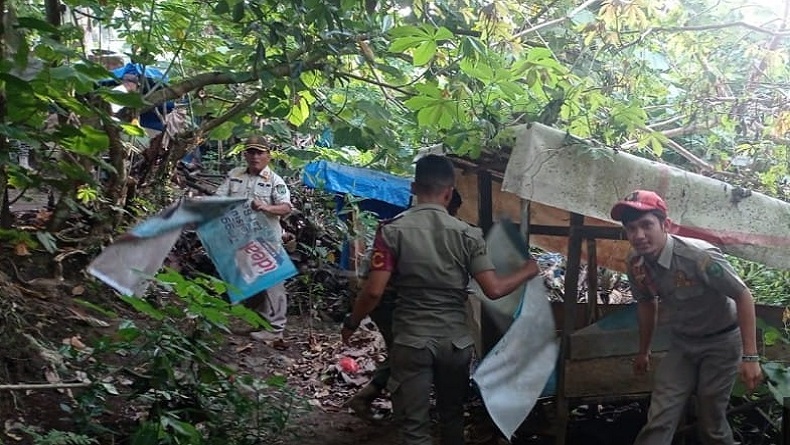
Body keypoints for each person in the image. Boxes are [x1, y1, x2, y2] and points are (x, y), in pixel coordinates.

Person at [341, 155, 539, 445]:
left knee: (414, 425)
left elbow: (373, 291)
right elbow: (494, 289)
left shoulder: (391, 231)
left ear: (413, 188)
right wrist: (528, 270)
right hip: (455, 343)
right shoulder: (469, 234)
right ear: (449, 192)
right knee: (452, 415)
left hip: (412, 340)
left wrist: (352, 322)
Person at [609, 190, 763, 445]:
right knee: (660, 414)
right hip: (683, 343)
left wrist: (750, 356)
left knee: (711, 421)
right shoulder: (635, 262)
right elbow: (646, 302)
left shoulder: (698, 257)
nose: (639, 235)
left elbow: (742, 294)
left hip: (722, 342)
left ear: (665, 225)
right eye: (631, 228)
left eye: (646, 225)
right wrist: (644, 351)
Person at [346, 188, 464, 422]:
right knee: (407, 354)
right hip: (391, 300)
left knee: (404, 353)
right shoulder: (423, 230)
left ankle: (383, 404)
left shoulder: (404, 224)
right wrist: (353, 321)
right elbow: (374, 289)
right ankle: (400, 414)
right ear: (446, 202)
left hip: (389, 299)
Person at [215, 136, 293, 344]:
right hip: (240, 239)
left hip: (267, 241)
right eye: (251, 152)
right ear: (245, 155)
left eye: (260, 152)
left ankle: (275, 329)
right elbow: (219, 199)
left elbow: (286, 207)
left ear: (268, 156)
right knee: (254, 284)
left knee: (273, 285)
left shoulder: (275, 180)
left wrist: (266, 207)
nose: (255, 156)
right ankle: (261, 323)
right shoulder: (235, 175)